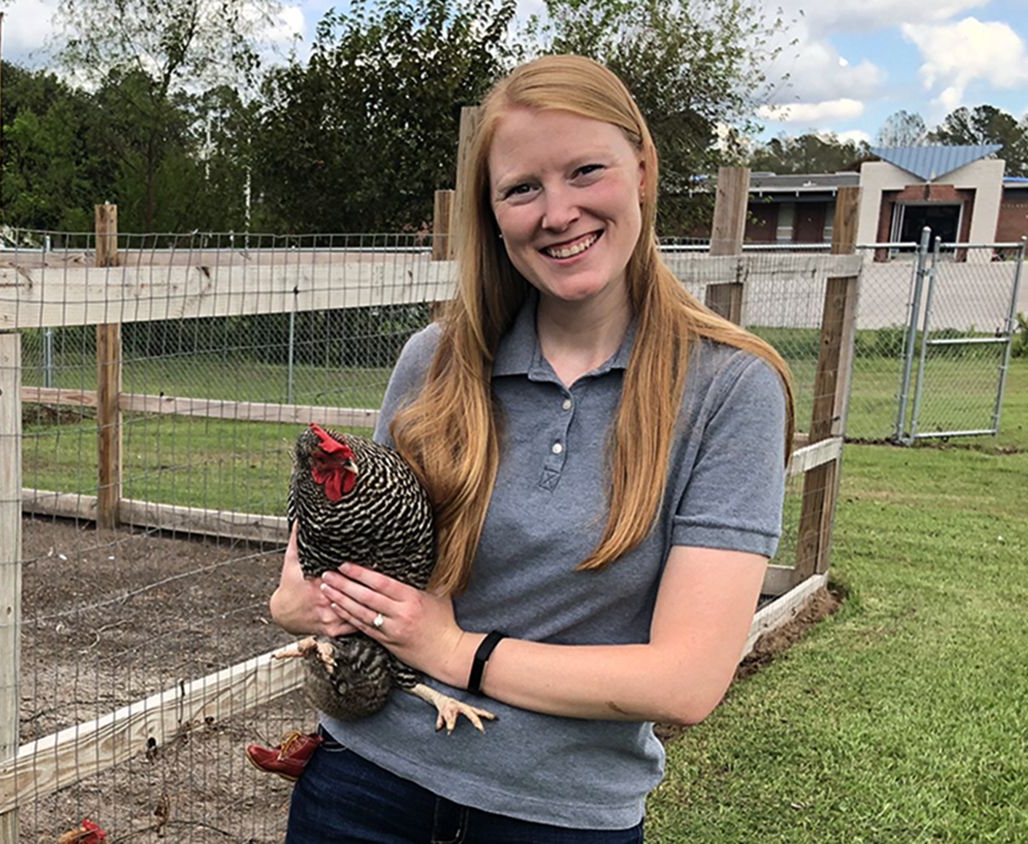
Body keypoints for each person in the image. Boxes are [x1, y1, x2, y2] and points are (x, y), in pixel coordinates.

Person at [265, 54, 795, 843]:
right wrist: (309, 601)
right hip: (365, 787)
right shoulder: (436, 361)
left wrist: (450, 648)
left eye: (586, 171)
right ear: (492, 211)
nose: (558, 213)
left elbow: (685, 681)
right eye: (522, 188)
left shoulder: (729, 389)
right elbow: (300, 587)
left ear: (642, 171)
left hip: (559, 818)